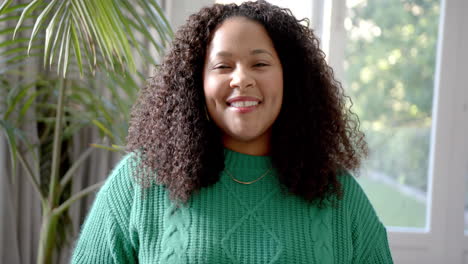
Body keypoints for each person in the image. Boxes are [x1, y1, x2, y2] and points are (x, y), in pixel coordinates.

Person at [71, 1, 393, 263]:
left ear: (290, 80)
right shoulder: (139, 182)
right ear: (196, 85)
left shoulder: (338, 194)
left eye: (260, 64)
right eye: (223, 66)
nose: (241, 79)